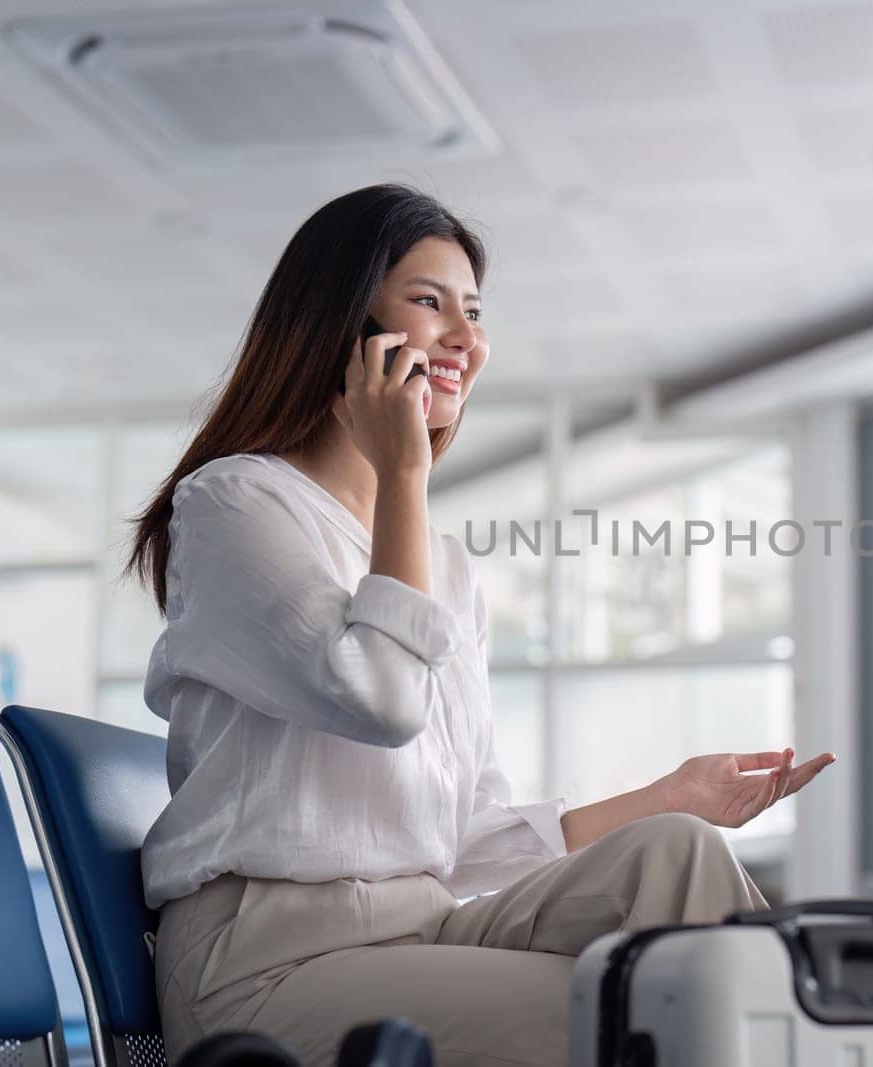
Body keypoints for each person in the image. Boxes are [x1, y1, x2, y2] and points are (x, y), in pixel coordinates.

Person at [121, 184, 836, 1067]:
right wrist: (405, 475)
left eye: (474, 311)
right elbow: (381, 700)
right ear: (341, 326)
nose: (468, 338)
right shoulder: (236, 501)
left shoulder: (445, 567)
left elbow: (467, 837)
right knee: (644, 1016)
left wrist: (670, 797)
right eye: (429, 303)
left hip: (421, 924)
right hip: (265, 961)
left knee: (675, 855)